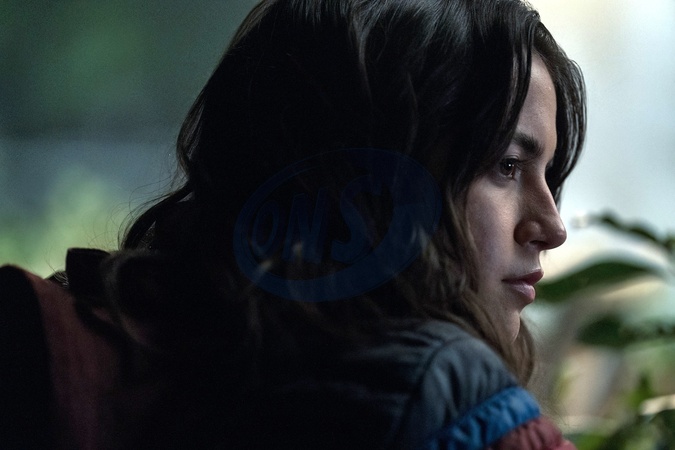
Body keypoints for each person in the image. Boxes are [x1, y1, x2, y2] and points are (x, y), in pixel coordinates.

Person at [0, 0, 585, 448]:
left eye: (548, 175)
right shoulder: (465, 414)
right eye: (508, 165)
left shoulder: (53, 342)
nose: (552, 225)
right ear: (368, 178)